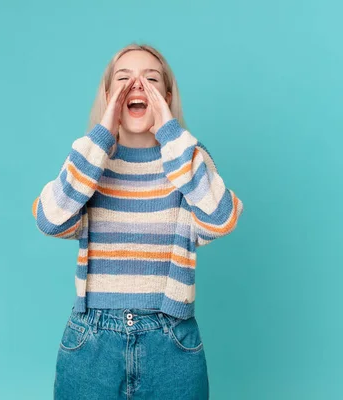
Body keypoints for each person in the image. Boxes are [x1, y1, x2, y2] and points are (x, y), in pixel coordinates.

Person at [32, 43, 243, 399]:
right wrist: (102, 133)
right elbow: (49, 219)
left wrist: (171, 131)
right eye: (124, 79)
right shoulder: (90, 164)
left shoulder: (187, 161)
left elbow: (221, 217)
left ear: (167, 94)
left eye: (151, 79)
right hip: (91, 343)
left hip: (172, 343)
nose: (137, 86)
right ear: (108, 94)